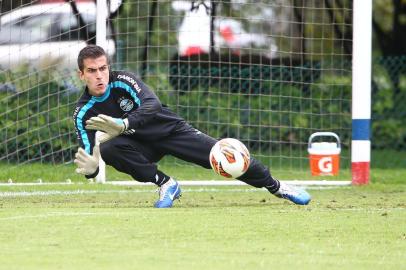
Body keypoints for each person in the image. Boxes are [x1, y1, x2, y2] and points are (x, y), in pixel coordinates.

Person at [73, 45, 311, 208]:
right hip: (139, 144)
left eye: (103, 68)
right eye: (92, 71)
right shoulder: (83, 112)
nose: (99, 76)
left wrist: (123, 124)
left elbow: (152, 104)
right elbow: (87, 156)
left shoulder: (122, 81)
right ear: (81, 75)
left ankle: (277, 186)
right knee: (108, 149)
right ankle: (166, 185)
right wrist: (92, 169)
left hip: (169, 131)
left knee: (225, 157)